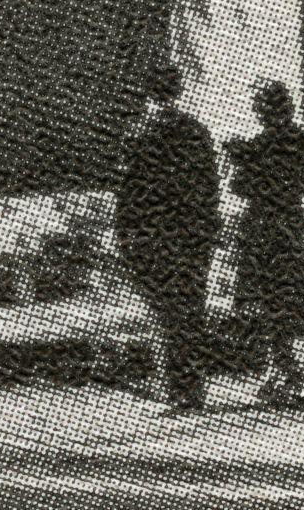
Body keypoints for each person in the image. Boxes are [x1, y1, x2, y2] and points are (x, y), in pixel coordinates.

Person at [114, 63, 223, 412]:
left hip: (153, 234)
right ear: (177, 89)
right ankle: (194, 388)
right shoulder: (196, 132)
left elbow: (129, 192)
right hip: (191, 232)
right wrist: (208, 226)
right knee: (191, 309)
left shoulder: (139, 134)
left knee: (164, 313)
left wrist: (125, 236)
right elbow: (209, 186)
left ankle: (177, 389)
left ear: (148, 93)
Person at [221, 79, 304, 406]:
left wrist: (243, 160)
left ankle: (282, 366)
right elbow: (300, 178)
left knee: (268, 298)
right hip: (290, 224)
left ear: (262, 109)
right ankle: (284, 365)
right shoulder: (300, 140)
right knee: (283, 297)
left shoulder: (259, 146)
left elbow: (242, 188)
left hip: (264, 228)